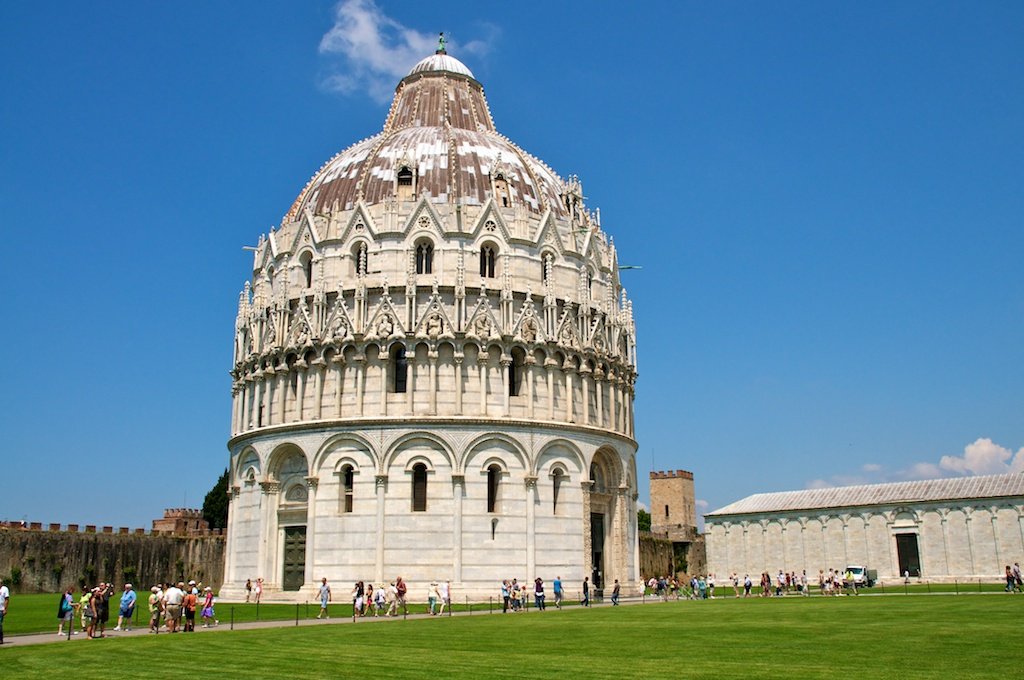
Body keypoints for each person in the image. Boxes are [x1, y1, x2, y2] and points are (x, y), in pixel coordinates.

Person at [0, 577, 7, 645]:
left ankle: (1, 639)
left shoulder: (4, 589)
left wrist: (5, 609)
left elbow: (6, 599)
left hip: (1, 609)